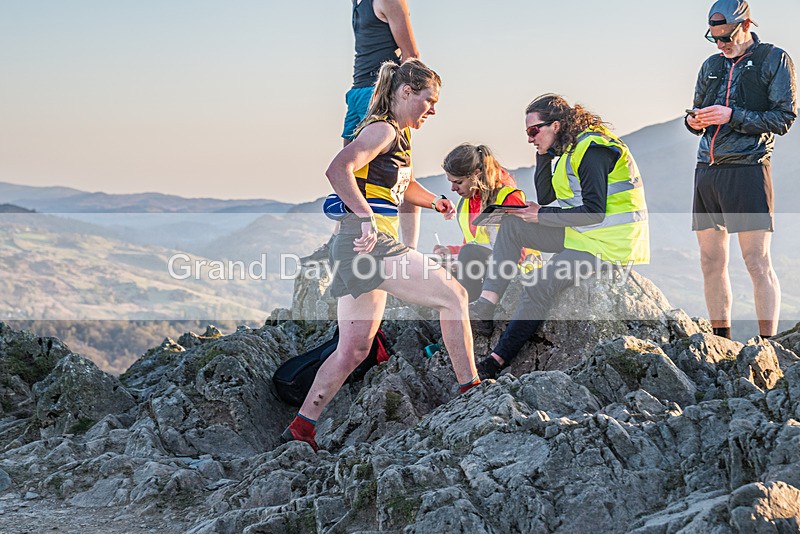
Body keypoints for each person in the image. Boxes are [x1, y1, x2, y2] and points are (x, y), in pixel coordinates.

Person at [283, 59, 480, 452]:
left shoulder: (398, 137)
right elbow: (338, 168)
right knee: (454, 296)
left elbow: (399, 187)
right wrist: (365, 215)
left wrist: (433, 200)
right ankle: (470, 389)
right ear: (406, 92)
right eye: (430, 100)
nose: (434, 110)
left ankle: (301, 428)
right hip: (369, 243)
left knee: (354, 349)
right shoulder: (383, 129)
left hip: (357, 247)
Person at [469, 94, 650, 380]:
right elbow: (548, 198)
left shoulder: (593, 149)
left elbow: (593, 212)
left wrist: (540, 216)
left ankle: (496, 360)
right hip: (582, 234)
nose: (530, 138)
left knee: (539, 285)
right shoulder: (568, 151)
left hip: (609, 244)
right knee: (513, 226)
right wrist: (542, 155)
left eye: (533, 131)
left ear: (555, 125)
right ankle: (486, 306)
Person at [685, 0, 796, 340]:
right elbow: (697, 115)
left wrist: (732, 116)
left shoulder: (773, 59)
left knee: (755, 262)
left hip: (748, 169)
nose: (721, 45)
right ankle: (721, 342)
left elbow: (784, 118)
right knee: (710, 262)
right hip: (708, 169)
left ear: (746, 25)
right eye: (714, 39)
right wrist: (693, 121)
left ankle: (768, 344)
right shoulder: (711, 65)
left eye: (727, 37)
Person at [345, 0, 422, 249]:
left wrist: (403, 101)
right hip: (357, 92)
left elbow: (411, 55)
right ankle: (344, 236)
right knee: (350, 170)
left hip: (380, 93)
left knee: (399, 172)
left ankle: (408, 248)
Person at [434, 143, 538, 302]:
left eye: (459, 182)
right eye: (451, 181)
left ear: (477, 174)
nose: (453, 189)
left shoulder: (507, 198)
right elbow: (473, 244)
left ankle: (471, 314)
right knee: (439, 266)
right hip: (487, 267)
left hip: (518, 268)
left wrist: (464, 259)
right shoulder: (466, 204)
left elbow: (519, 251)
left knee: (468, 255)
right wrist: (450, 252)